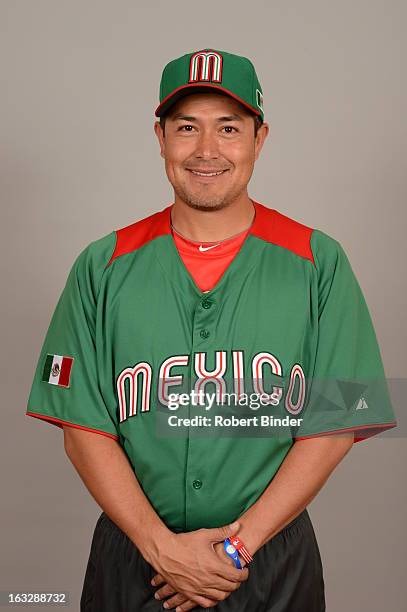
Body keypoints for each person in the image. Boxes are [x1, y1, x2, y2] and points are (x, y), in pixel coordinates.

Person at [26, 48, 397, 612]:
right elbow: (82, 425)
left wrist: (236, 546)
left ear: (259, 137)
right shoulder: (102, 265)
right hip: (137, 559)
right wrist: (160, 547)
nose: (206, 150)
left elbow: (336, 421)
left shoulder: (319, 262)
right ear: (160, 137)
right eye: (186, 127)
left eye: (228, 128)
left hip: (270, 559)